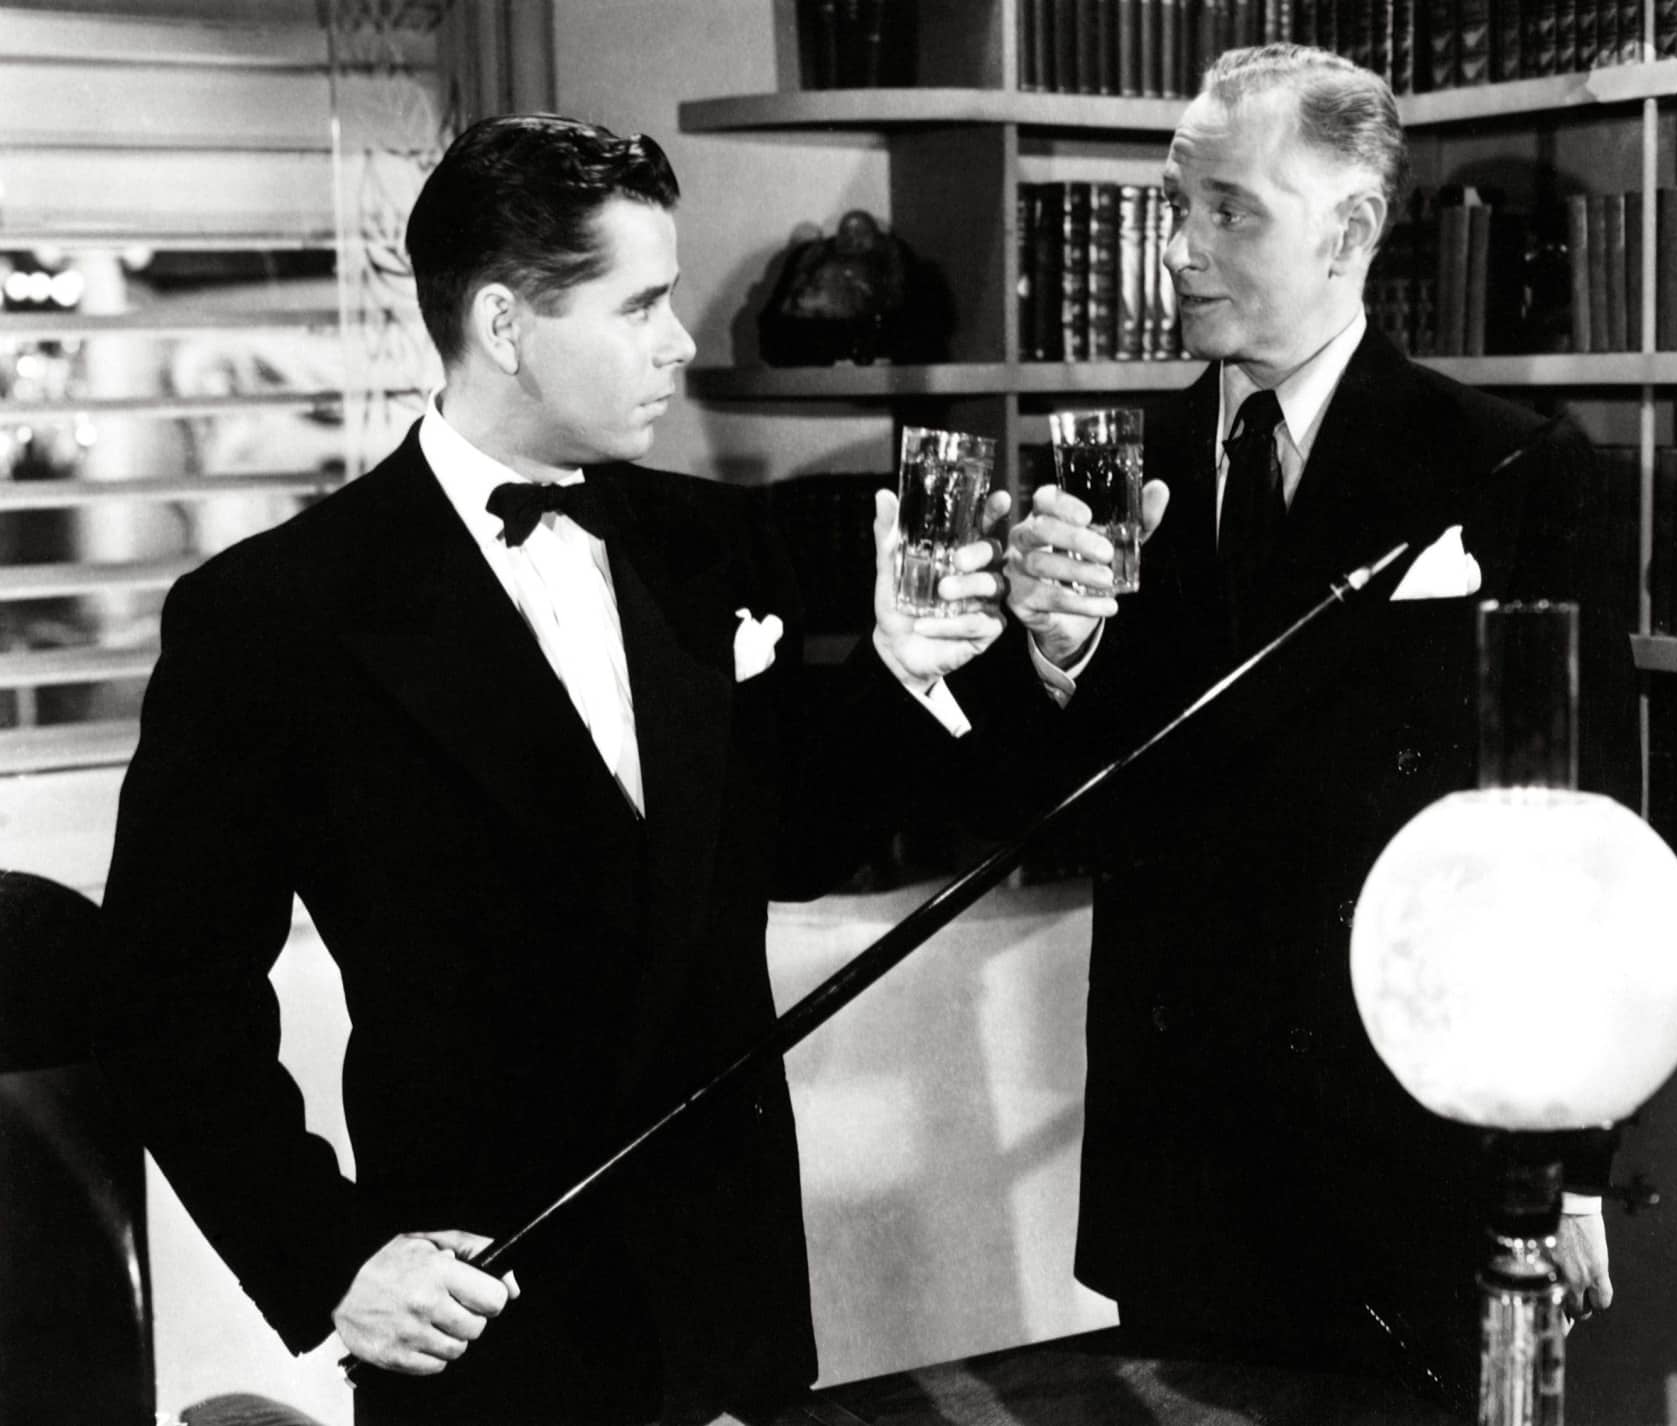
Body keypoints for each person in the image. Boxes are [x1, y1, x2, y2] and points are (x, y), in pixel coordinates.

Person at [93, 115, 1008, 1426]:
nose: (680, 340)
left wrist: (903, 673)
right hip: (491, 1326)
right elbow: (167, 1001)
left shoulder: (714, 544)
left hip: (727, 1313)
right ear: (505, 324)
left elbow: (787, 844)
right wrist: (334, 1260)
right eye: (639, 304)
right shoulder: (275, 615)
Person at [968, 43, 1635, 1409]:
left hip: (1409, 1157)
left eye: (1229, 210)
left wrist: (1567, 1163)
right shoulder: (1113, 469)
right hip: (1185, 1159)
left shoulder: (1507, 466)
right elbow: (1060, 807)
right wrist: (1055, 656)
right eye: (1176, 206)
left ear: (1350, 229)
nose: (1178, 251)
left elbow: (1580, 833)